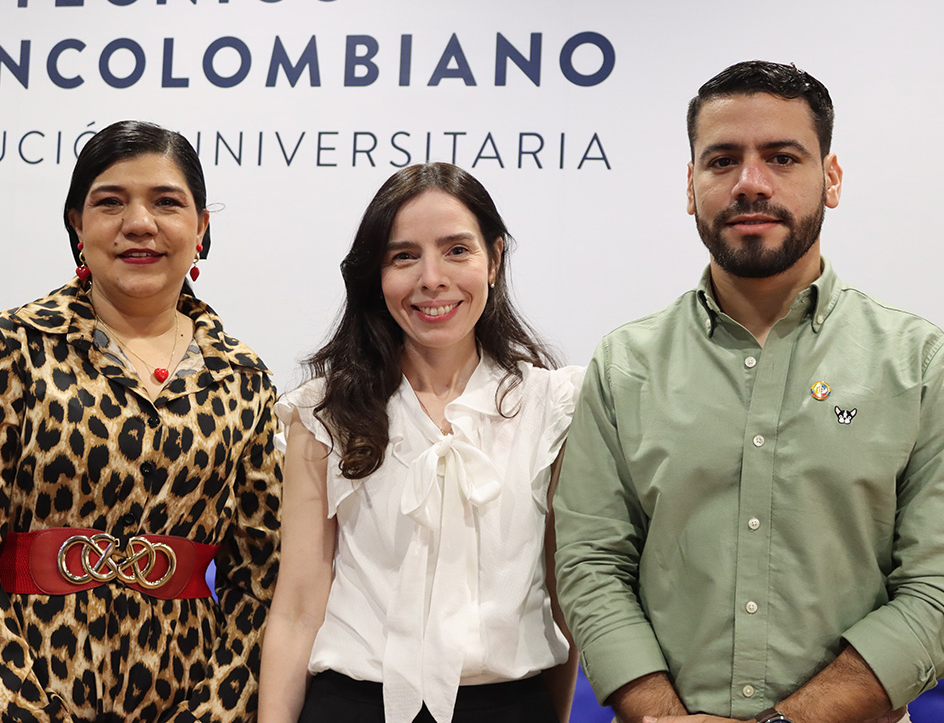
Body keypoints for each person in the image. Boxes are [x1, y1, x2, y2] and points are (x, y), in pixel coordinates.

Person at [553, 61, 944, 723]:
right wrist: (662, 716)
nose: (750, 183)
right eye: (723, 160)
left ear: (832, 178)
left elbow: (935, 585)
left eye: (783, 158)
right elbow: (591, 563)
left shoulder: (921, 364)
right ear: (691, 185)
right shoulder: (625, 366)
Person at [0, 121, 283, 722]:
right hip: (21, 693)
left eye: (166, 202)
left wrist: (214, 712)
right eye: (110, 202)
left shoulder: (243, 378)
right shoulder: (11, 346)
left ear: (202, 228)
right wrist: (13, 710)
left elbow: (261, 579)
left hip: (184, 697)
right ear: (77, 224)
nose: (139, 223)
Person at [258, 163, 581, 723]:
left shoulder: (552, 405)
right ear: (376, 275)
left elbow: (564, 596)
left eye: (456, 250)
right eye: (404, 256)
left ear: (494, 259)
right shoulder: (323, 411)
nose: (432, 279)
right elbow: (298, 608)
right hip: (351, 705)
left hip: (511, 706)